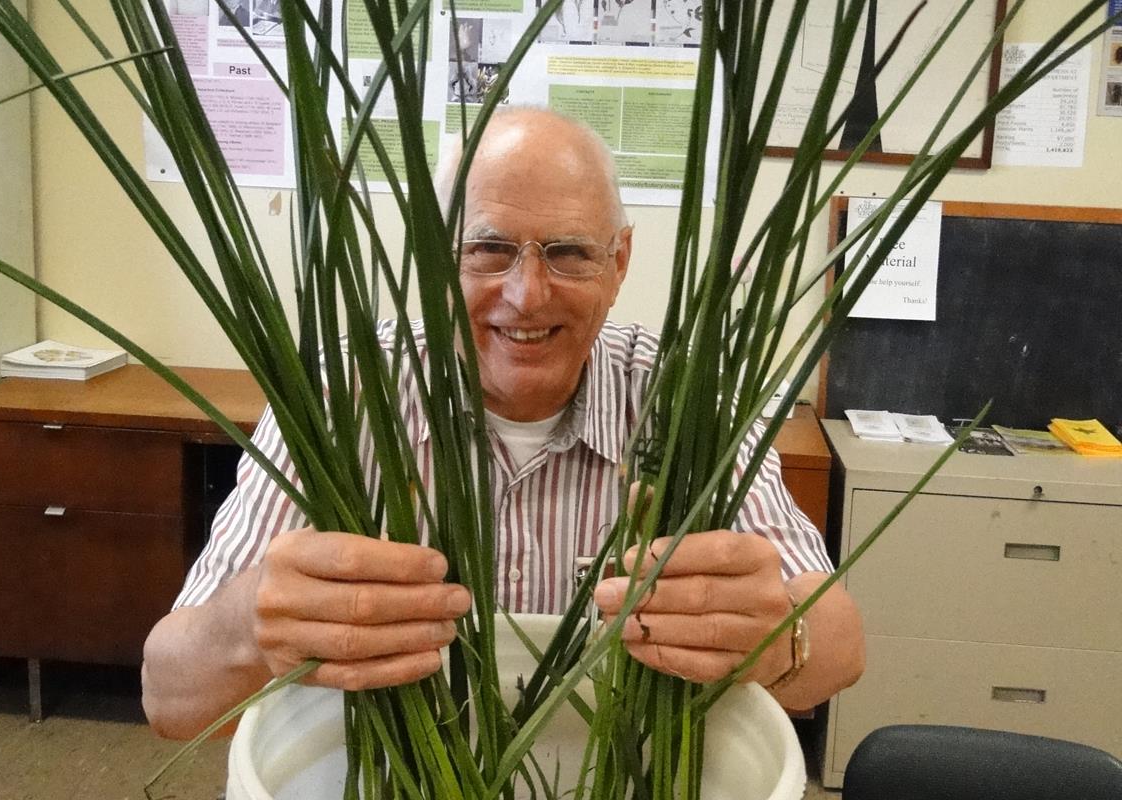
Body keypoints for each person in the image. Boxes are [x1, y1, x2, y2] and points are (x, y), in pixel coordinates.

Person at [141, 107, 865, 739]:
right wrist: (247, 630)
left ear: (619, 262)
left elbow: (843, 646)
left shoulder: (683, 397)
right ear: (435, 256)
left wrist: (782, 636)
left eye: (569, 252)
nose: (526, 294)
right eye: (488, 249)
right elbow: (170, 700)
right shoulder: (343, 391)